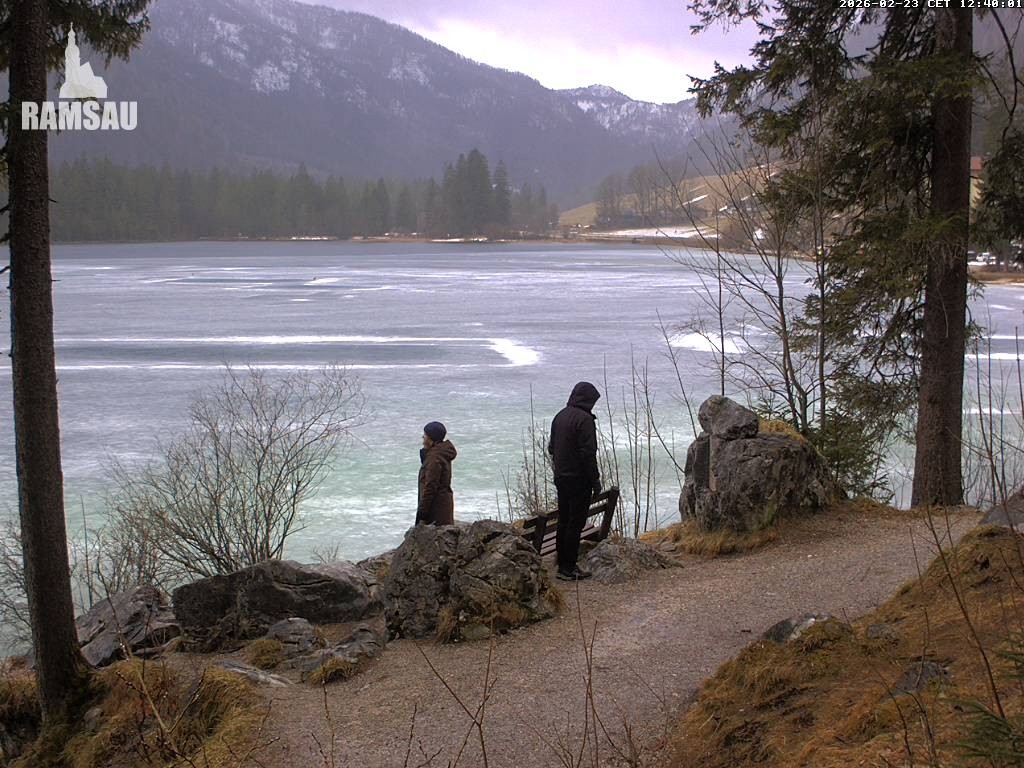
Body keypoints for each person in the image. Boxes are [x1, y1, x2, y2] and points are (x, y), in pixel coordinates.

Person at [548, 382, 602, 580]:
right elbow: (588, 453)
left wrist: (560, 467)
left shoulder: (560, 416)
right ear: (588, 400)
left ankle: (562, 563)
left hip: (561, 477)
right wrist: (595, 480)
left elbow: (551, 448)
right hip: (579, 479)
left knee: (563, 520)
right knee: (575, 523)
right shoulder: (585, 420)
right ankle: (569, 567)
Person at [417, 421, 458, 526]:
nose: (423, 438)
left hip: (436, 511)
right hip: (443, 507)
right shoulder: (439, 453)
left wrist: (422, 513)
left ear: (431, 439)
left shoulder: (434, 458)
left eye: (425, 436)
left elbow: (431, 486)